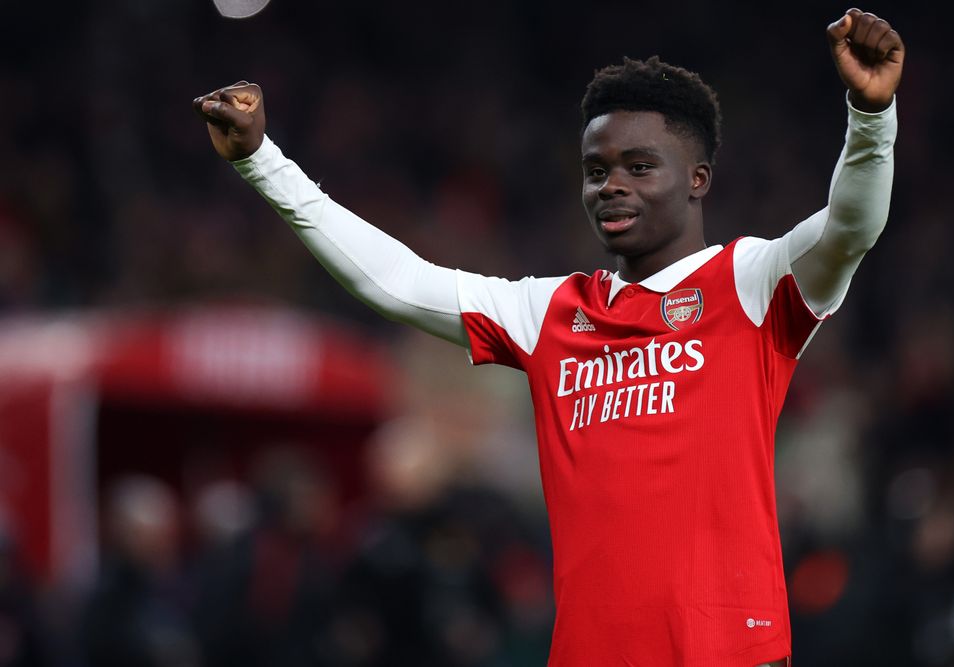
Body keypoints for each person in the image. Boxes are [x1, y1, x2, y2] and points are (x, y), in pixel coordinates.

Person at [193, 8, 903, 665]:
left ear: (697, 179)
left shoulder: (748, 281)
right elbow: (396, 282)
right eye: (596, 171)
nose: (610, 186)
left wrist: (870, 116)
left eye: (638, 166)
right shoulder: (550, 313)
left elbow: (851, 225)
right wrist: (264, 162)